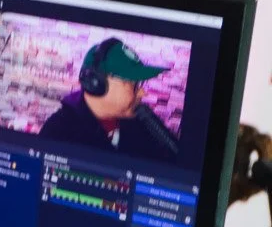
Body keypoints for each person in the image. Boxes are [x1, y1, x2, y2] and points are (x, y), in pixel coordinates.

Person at [38, 37, 181, 161]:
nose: (142, 93)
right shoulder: (58, 132)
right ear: (96, 83)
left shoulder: (140, 121)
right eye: (134, 85)